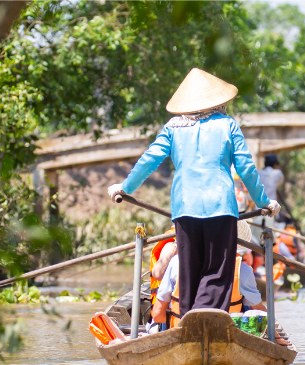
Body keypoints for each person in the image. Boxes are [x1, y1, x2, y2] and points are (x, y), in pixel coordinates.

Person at [108, 68, 280, 320]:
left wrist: (125, 188)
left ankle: (188, 318)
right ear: (218, 102)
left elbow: (149, 160)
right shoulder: (227, 125)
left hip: (185, 208)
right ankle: (203, 319)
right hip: (221, 208)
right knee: (217, 272)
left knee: (189, 272)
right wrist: (264, 202)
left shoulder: (173, 127)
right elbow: (245, 168)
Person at [150, 222, 266, 330]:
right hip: (226, 334)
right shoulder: (243, 270)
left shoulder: (176, 262)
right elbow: (261, 313)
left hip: (183, 333)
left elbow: (157, 315)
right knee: (252, 311)